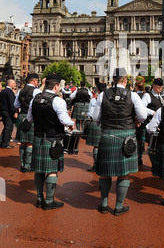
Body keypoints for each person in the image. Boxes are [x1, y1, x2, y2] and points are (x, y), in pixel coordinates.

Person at [92, 68, 147, 216]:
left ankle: (103, 204)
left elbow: (96, 117)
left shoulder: (102, 94)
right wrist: (136, 121)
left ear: (113, 79)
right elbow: (142, 116)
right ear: (125, 80)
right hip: (126, 135)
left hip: (107, 135)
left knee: (104, 173)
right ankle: (118, 206)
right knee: (124, 174)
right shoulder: (133, 95)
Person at [27, 73, 74, 209]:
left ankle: (39, 198)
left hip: (37, 138)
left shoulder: (35, 99)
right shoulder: (58, 100)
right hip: (53, 139)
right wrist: (71, 123)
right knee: (52, 170)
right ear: (56, 86)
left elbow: (29, 119)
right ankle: (49, 201)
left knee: (39, 170)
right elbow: (64, 121)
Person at [14, 73, 41, 172]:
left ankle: (22, 164)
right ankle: (28, 165)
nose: (37, 82)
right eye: (37, 81)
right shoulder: (36, 91)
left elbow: (16, 104)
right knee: (30, 143)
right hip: (31, 117)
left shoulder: (21, 90)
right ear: (34, 81)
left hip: (22, 116)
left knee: (23, 142)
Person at [85, 82, 106, 172]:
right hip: (107, 124)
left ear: (98, 89)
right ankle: (104, 165)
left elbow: (91, 114)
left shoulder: (94, 100)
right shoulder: (110, 99)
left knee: (96, 146)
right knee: (106, 146)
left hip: (96, 123)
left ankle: (96, 165)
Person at [0, 79, 18, 149]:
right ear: (9, 84)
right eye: (14, 83)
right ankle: (5, 144)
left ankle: (1, 141)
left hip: (3, 111)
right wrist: (14, 112)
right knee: (9, 128)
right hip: (8, 112)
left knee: (6, 127)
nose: (15, 84)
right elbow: (12, 103)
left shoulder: (3, 91)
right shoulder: (9, 92)